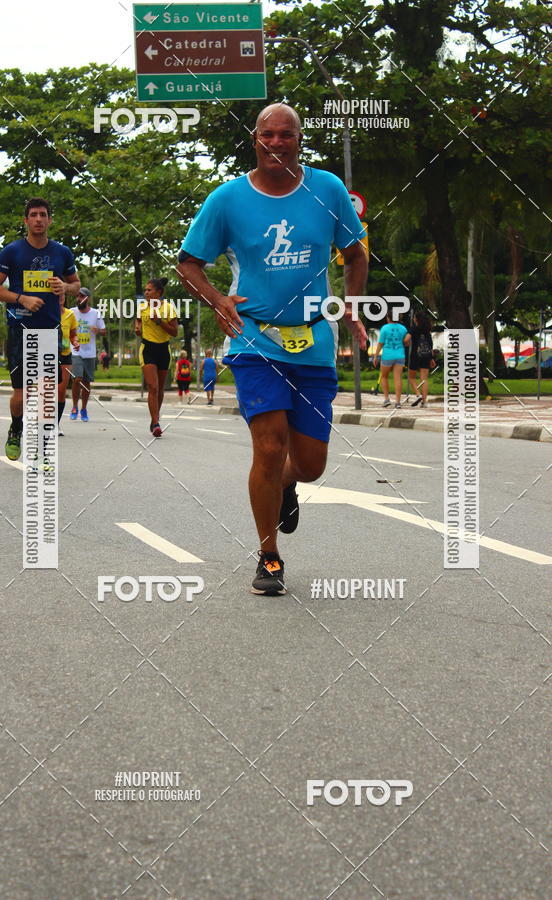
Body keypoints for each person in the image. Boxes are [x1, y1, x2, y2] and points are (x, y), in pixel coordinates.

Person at [177, 102, 368, 595]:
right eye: (268, 135)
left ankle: (288, 485)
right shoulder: (227, 199)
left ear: (299, 140)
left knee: (310, 464)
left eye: (287, 135)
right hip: (253, 337)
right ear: (255, 139)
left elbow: (354, 253)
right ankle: (269, 556)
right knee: (268, 446)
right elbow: (189, 263)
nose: (277, 143)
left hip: (314, 341)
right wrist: (218, 299)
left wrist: (352, 305)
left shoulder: (326, 189)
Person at [0, 198, 80, 459]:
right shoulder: (12, 252)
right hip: (20, 330)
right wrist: (21, 298)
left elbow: (76, 285)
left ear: (50, 220)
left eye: (43, 215)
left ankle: (42, 448)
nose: (39, 219)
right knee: (22, 393)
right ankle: (16, 427)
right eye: (34, 215)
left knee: (46, 391)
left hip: (49, 331)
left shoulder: (62, 252)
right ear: (25, 220)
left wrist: (65, 287)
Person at [135, 277, 178, 436]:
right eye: (145, 290)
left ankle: (154, 420)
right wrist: (138, 328)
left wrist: (159, 321)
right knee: (152, 387)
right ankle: (156, 423)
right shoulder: (142, 307)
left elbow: (174, 332)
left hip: (163, 350)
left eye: (149, 290)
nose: (146, 293)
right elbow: (138, 321)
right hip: (147, 348)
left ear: (158, 293)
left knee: (159, 388)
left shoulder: (168, 308)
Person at [69, 287, 105, 422]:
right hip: (75, 350)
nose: (78, 298)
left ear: (87, 298)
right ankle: (74, 407)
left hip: (89, 353)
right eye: (77, 296)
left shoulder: (96, 313)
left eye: (81, 296)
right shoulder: (72, 312)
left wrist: (98, 330)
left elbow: (103, 330)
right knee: (76, 379)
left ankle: (83, 408)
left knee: (86, 382)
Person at [373, 311, 410, 408]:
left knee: (384, 377)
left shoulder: (384, 328)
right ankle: (398, 402)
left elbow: (380, 343)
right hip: (400, 355)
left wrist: (376, 356)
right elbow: (407, 342)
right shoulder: (403, 328)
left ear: (388, 318)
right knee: (398, 378)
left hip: (387, 356)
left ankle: (386, 399)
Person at [58, 291, 79, 434]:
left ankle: (55, 424)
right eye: (57, 295)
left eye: (62, 295)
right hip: (46, 355)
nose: (60, 298)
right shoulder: (44, 312)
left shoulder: (70, 315)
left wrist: (75, 342)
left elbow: (73, 334)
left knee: (60, 391)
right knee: (45, 392)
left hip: (65, 355)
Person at [408, 309, 435, 407]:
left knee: (411, 377)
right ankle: (424, 402)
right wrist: (432, 358)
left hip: (416, 355)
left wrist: (406, 343)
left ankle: (418, 394)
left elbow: (406, 339)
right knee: (424, 379)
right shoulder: (427, 330)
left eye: (414, 317)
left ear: (416, 319)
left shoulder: (413, 329)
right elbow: (430, 345)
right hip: (426, 356)